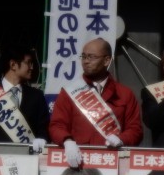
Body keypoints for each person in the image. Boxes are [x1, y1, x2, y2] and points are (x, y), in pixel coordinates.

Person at [48, 37, 143, 167]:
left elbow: (135, 130)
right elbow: (56, 125)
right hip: (78, 162)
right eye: (83, 56)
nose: (86, 61)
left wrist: (121, 139)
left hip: (112, 162)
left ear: (106, 60)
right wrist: (67, 141)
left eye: (91, 57)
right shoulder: (69, 92)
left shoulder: (125, 94)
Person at [0, 44, 49, 152]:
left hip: (27, 159)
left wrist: (41, 140)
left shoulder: (37, 96)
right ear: (13, 65)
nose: (32, 67)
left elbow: (43, 129)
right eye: (28, 62)